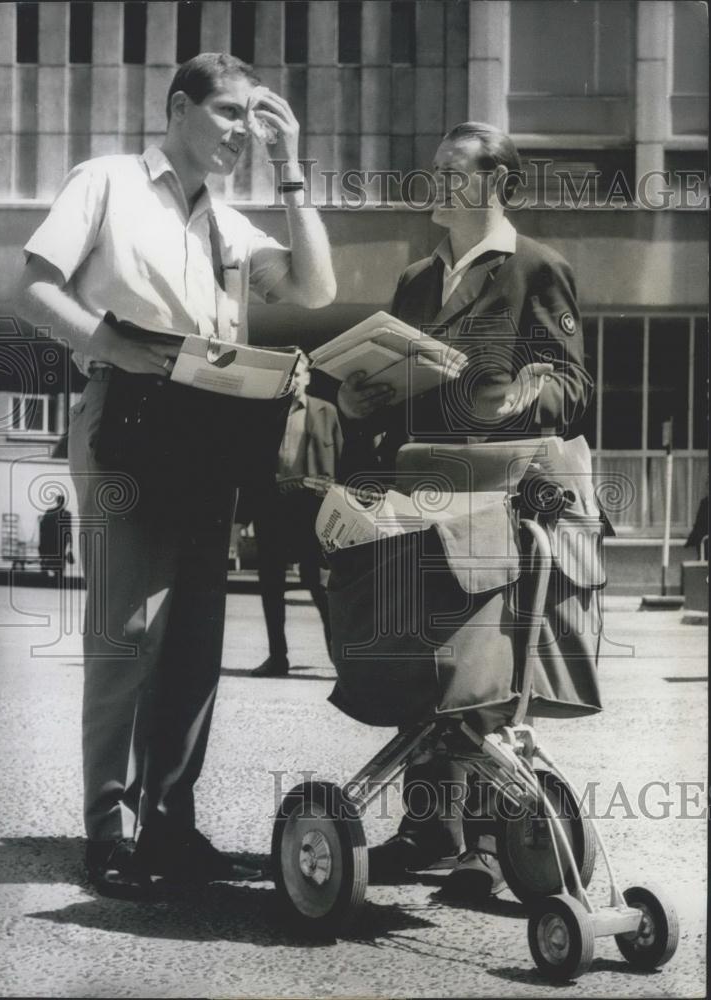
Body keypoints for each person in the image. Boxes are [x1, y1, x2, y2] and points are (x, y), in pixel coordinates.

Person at [17, 53, 336, 900]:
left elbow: (315, 285)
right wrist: (115, 346)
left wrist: (292, 164)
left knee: (194, 642)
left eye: (254, 120)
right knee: (126, 630)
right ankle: (108, 832)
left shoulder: (229, 225)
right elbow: (34, 289)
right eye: (230, 114)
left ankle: (171, 823)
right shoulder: (108, 181)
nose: (243, 132)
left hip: (209, 428)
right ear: (179, 107)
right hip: (125, 411)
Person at [336, 123, 592, 898]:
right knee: (428, 662)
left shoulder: (537, 268)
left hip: (497, 498)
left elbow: (574, 391)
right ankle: (427, 832)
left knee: (483, 668)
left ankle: (484, 845)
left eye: (454, 172)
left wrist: (520, 392)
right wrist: (355, 401)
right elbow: (392, 397)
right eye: (434, 171)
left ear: (497, 185)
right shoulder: (417, 279)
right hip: (419, 496)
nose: (437, 184)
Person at [246, 352, 343, 677]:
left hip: (313, 510)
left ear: (308, 377)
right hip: (273, 508)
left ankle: (339, 663)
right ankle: (278, 657)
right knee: (271, 584)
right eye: (289, 375)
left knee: (320, 585)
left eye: (299, 374)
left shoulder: (327, 411)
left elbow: (342, 459)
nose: (294, 380)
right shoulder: (265, 413)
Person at [38, 493, 74, 577]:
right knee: (59, 561)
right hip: (61, 542)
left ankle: (45, 577)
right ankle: (58, 576)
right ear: (63, 502)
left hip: (50, 541)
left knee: (48, 559)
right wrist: (70, 545)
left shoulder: (49, 512)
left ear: (56, 501)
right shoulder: (67, 514)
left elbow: (43, 527)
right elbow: (69, 530)